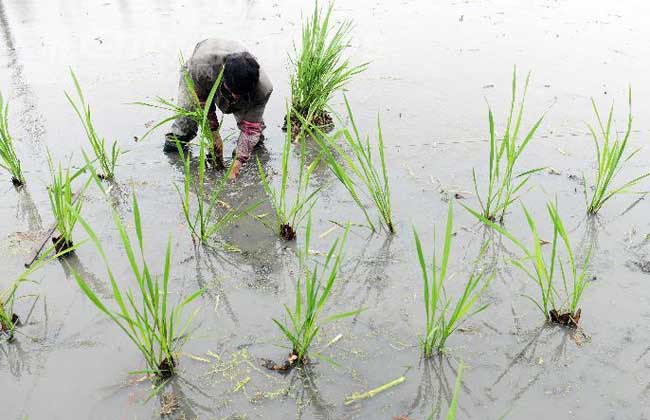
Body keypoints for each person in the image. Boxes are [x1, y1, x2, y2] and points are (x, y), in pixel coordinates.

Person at [164, 38, 273, 180]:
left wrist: (235, 167)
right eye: (232, 93)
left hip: (242, 84)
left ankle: (250, 157)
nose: (234, 98)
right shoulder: (201, 67)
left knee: (255, 138)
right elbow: (202, 102)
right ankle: (173, 158)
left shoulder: (263, 88)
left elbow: (250, 129)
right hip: (197, 77)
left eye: (238, 95)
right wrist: (214, 135)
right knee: (184, 128)